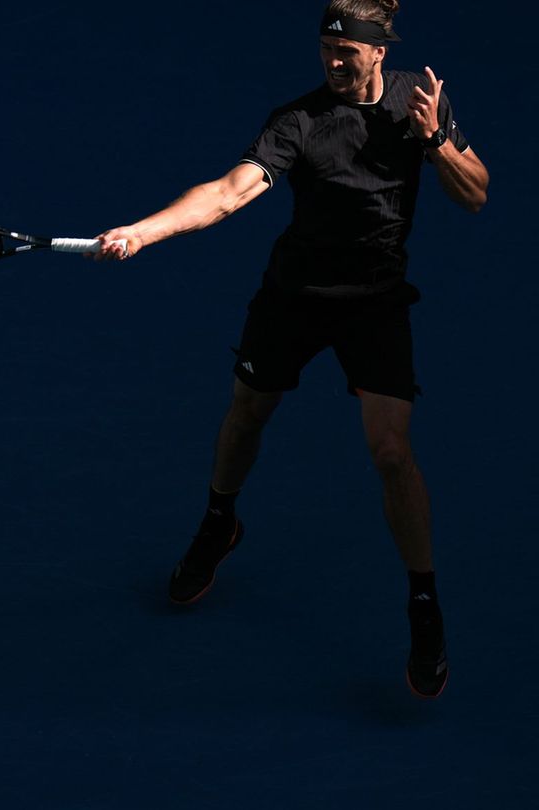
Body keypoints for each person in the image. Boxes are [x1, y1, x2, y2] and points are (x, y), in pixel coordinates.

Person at [89, 0, 489, 699]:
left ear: (379, 52)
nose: (334, 62)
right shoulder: (298, 122)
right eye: (325, 49)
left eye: (348, 52)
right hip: (294, 296)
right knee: (248, 410)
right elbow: (226, 193)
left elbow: (477, 194)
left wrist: (435, 140)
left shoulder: (420, 105)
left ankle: (424, 604)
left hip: (374, 302)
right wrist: (145, 231)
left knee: (392, 452)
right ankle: (220, 522)